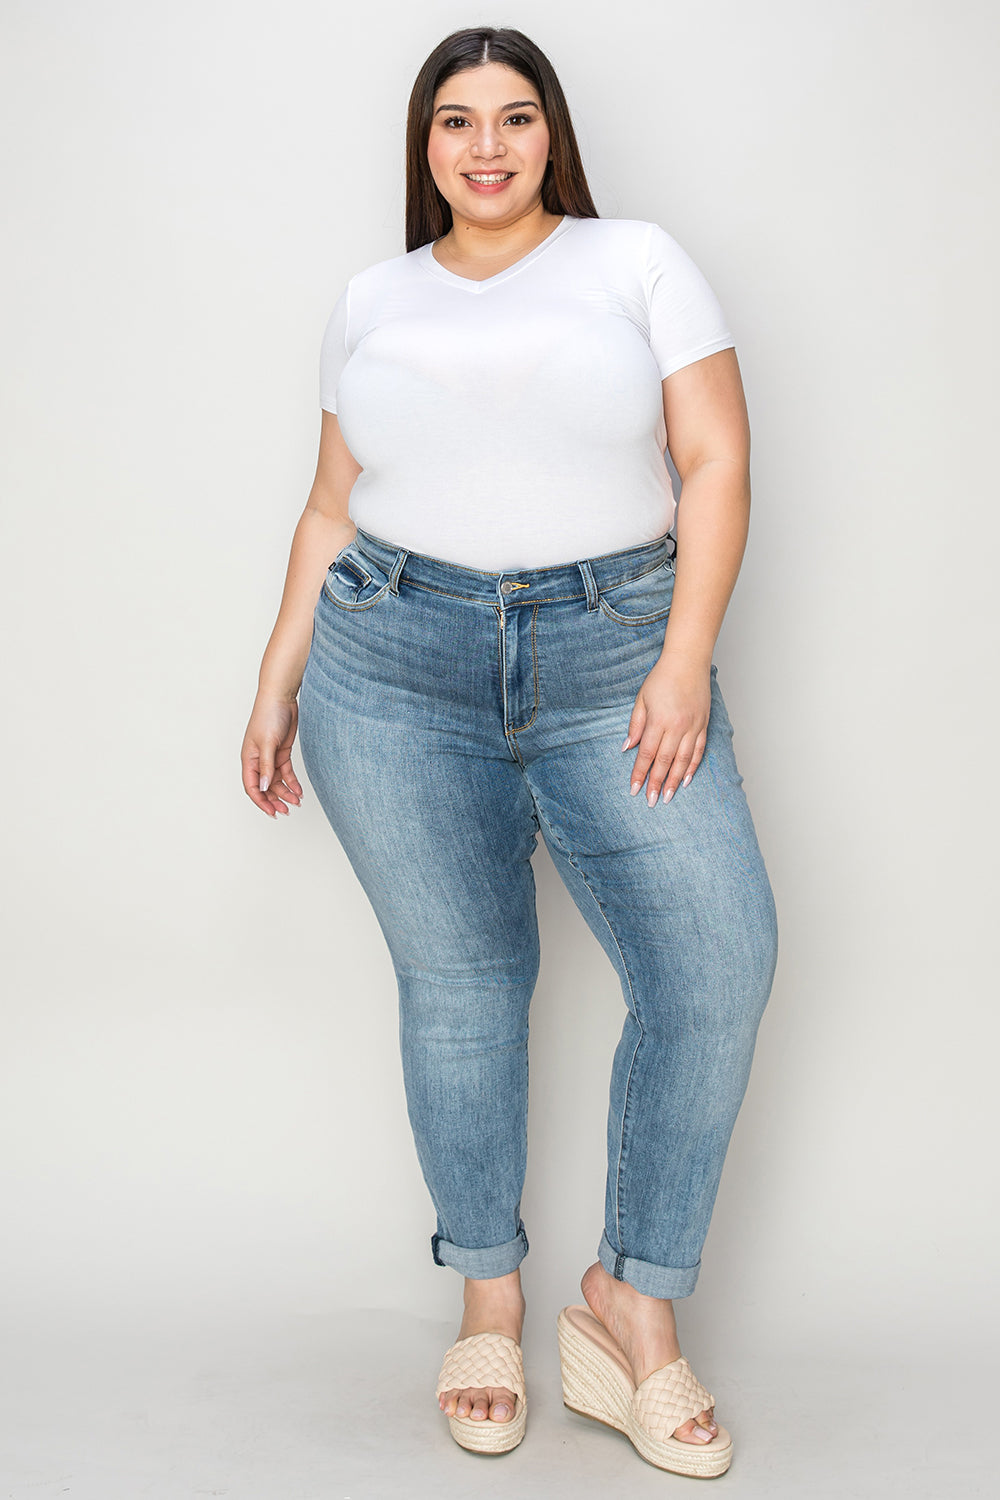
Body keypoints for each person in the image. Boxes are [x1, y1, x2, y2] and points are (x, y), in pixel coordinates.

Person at [240, 24, 778, 1480]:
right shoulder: (373, 297)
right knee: (466, 988)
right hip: (392, 667)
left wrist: (680, 662)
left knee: (717, 961)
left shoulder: (636, 262)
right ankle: (487, 1293)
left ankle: (631, 1307)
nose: (488, 147)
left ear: (553, 138)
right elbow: (331, 505)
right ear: (425, 146)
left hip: (615, 653)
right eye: (458, 122)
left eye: (517, 119)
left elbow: (716, 457)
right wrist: (278, 677)